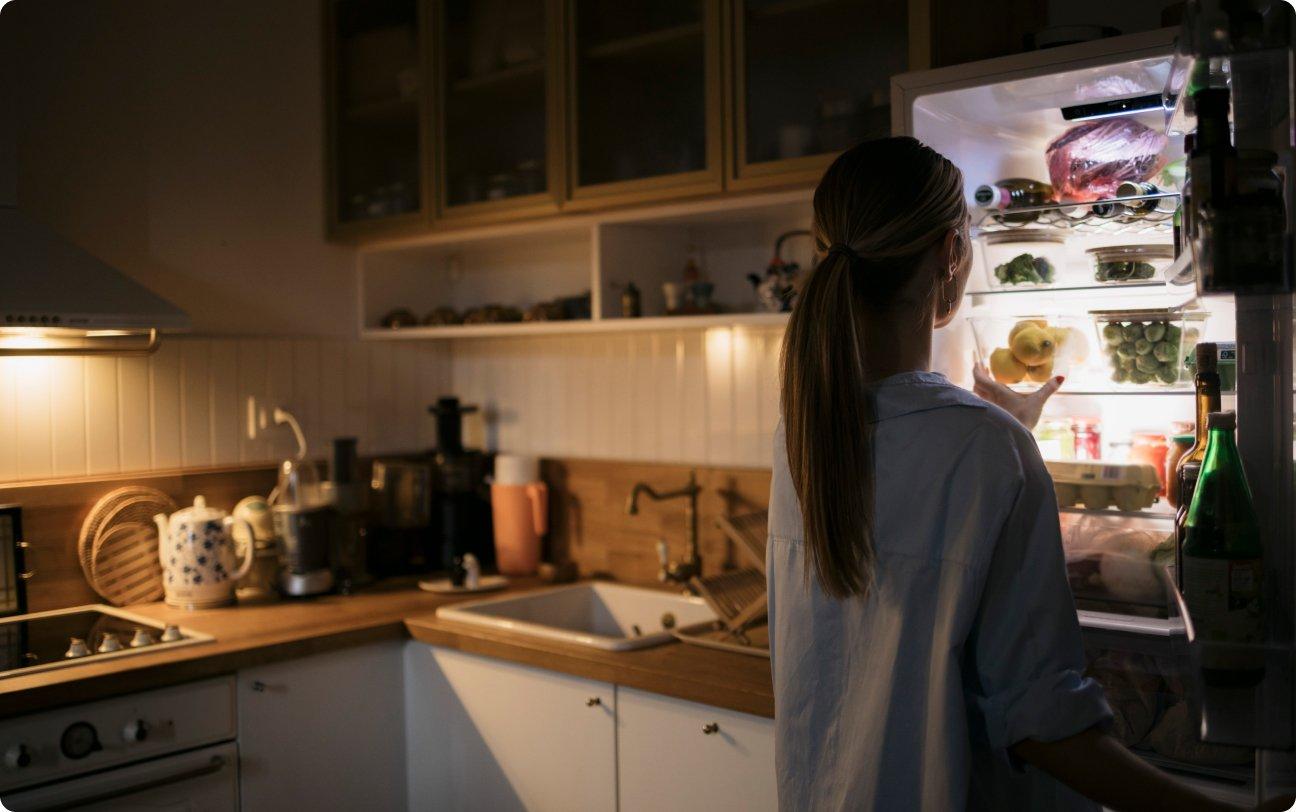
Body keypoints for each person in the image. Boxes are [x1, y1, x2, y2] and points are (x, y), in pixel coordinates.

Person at [767, 136, 1286, 811]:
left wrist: (1009, 432)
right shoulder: (988, 448)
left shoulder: (801, 431)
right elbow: (1042, 722)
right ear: (952, 252)